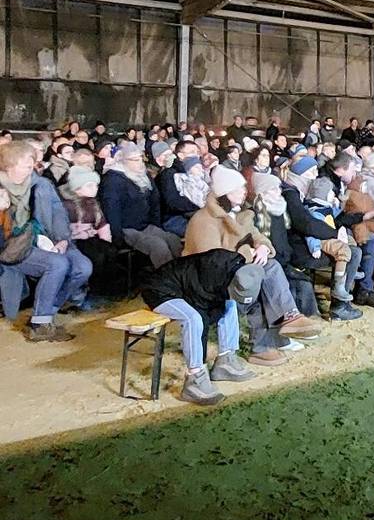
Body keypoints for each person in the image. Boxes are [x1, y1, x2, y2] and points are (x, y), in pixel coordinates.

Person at [184, 168, 321, 367]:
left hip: (237, 273)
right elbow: (211, 261)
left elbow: (256, 235)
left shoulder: (240, 214)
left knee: (270, 267)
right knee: (261, 283)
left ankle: (285, 323)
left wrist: (263, 247)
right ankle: (268, 340)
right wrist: (249, 253)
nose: (244, 191)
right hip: (206, 282)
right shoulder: (203, 221)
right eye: (237, 189)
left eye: (243, 187)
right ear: (224, 192)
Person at [140, 249, 257, 406]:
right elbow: (202, 311)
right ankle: (194, 378)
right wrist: (201, 361)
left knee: (230, 303)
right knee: (193, 318)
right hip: (160, 290)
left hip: (185, 287)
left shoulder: (235, 272)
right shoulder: (210, 274)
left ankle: (226, 359)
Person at [0, 142, 93, 339]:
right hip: (12, 248)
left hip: (46, 239)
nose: (31, 168)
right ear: (9, 166)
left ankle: (46, 312)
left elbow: (58, 212)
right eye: (26, 165)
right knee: (57, 264)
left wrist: (62, 239)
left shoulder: (41, 184)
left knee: (83, 267)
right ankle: (40, 324)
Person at [279, 158, 370, 315]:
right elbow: (304, 223)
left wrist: (344, 223)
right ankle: (339, 306)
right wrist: (334, 233)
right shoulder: (291, 193)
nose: (316, 175)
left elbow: (326, 217)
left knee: (354, 250)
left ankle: (340, 302)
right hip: (300, 245)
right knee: (352, 252)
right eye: (312, 172)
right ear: (302, 173)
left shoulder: (303, 190)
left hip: (309, 238)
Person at [100, 146, 182, 268]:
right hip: (126, 228)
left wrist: (156, 224)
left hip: (145, 224)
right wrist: (118, 238)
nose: (140, 162)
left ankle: (183, 272)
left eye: (140, 158)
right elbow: (112, 210)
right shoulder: (113, 180)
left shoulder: (143, 175)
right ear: (123, 161)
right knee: (158, 246)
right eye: (135, 160)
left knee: (173, 240)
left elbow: (154, 200)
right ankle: (167, 279)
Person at [60, 165, 118, 297]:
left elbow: (101, 223)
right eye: (89, 186)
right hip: (74, 240)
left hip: (91, 237)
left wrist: (106, 240)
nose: (95, 189)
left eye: (95, 186)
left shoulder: (93, 203)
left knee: (110, 252)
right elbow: (62, 226)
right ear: (77, 189)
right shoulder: (67, 205)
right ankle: (88, 289)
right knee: (95, 257)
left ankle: (102, 289)